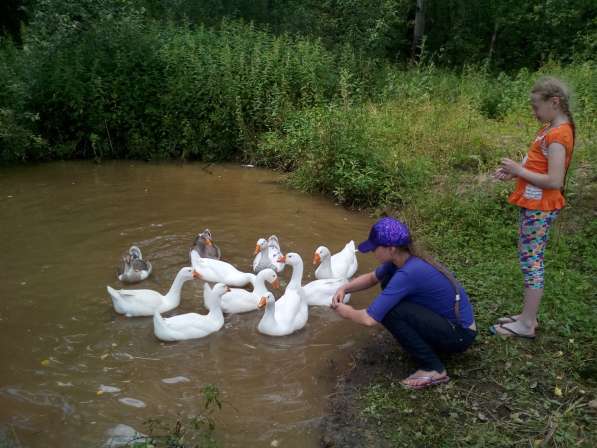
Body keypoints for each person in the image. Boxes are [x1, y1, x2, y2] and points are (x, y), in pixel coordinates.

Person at [331, 217, 476, 390]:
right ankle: (429, 343)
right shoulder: (400, 259)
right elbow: (371, 278)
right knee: (387, 287)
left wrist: (345, 311)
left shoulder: (408, 273)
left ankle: (434, 369)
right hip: (451, 324)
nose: (372, 252)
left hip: (460, 335)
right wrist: (345, 288)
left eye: (375, 248)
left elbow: (369, 319)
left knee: (389, 311)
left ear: (391, 249)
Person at [491, 77, 575, 339]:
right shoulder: (549, 129)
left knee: (531, 262)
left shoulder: (559, 135)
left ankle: (527, 324)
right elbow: (538, 167)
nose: (534, 112)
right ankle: (526, 316)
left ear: (555, 102)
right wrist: (515, 174)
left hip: (542, 206)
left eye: (536, 107)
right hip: (534, 202)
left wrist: (519, 169)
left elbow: (554, 181)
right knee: (528, 256)